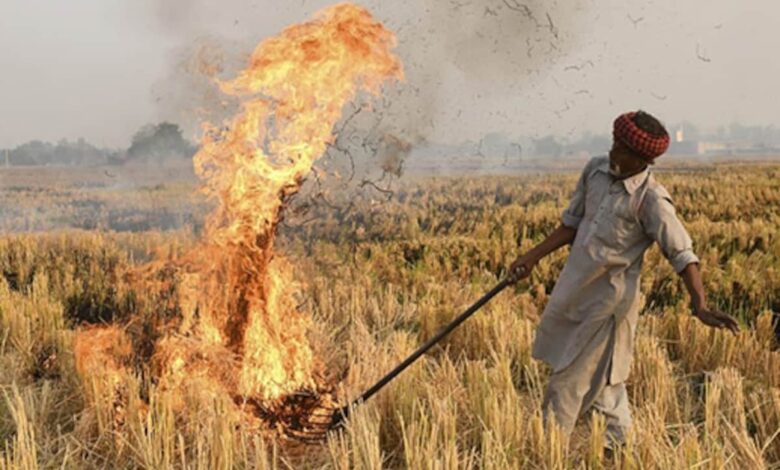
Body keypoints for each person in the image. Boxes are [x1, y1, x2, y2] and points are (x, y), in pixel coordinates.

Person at [507, 110, 739, 449]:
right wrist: (531, 257)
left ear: (643, 160)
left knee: (566, 384)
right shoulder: (596, 171)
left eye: (624, 151)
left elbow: (682, 253)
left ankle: (548, 452)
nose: (614, 153)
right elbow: (571, 224)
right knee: (607, 386)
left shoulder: (651, 200)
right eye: (615, 144)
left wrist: (699, 303)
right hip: (575, 292)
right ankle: (622, 450)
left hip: (608, 307)